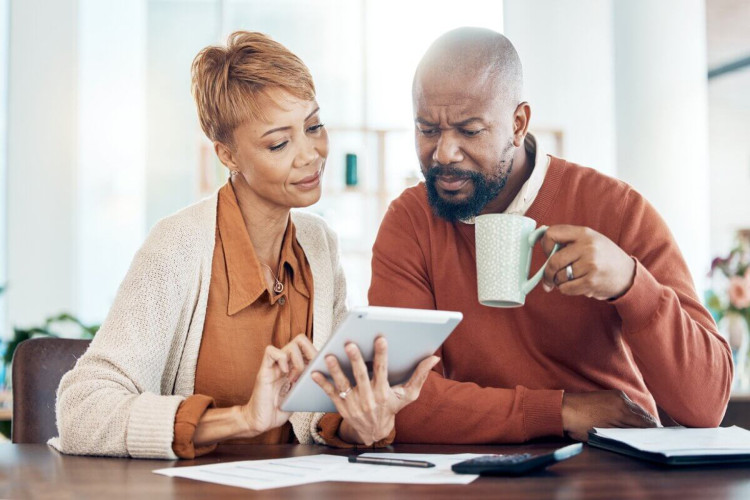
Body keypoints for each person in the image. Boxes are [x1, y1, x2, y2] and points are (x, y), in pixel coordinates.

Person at [52, 31, 437, 459]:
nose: (310, 154)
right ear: (228, 155)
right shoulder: (177, 247)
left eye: (313, 126)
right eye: (279, 143)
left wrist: (363, 420)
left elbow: (315, 412)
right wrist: (243, 418)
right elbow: (81, 412)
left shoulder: (319, 245)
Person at [368, 27, 733, 444]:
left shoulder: (617, 209)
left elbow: (707, 404)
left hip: (612, 464)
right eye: (428, 129)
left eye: (469, 131)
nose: (444, 153)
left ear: (518, 123)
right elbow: (397, 400)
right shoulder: (410, 221)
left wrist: (631, 284)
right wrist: (558, 410)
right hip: (475, 468)